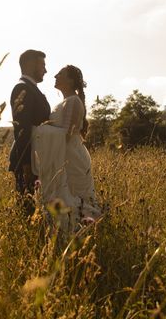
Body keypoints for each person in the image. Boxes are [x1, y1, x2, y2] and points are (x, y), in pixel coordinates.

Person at [32, 65, 100, 230]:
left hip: (71, 157)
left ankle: (80, 230)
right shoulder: (63, 102)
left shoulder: (73, 101)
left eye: (60, 73)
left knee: (75, 195)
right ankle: (66, 231)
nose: (55, 75)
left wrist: (37, 130)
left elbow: (66, 134)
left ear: (70, 80)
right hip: (62, 155)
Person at [9, 50, 50, 210]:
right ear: (30, 64)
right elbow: (22, 128)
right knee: (27, 208)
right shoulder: (22, 88)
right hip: (28, 160)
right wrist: (26, 164)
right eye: (43, 65)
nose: (45, 70)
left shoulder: (31, 88)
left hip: (36, 157)